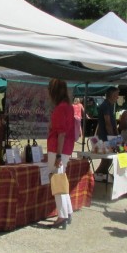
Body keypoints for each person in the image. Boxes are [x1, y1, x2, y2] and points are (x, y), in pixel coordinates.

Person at [47, 79, 76, 229]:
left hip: (58, 149)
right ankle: (67, 211)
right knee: (61, 180)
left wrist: (57, 155)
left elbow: (61, 134)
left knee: (57, 181)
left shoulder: (60, 108)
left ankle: (62, 215)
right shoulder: (69, 107)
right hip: (66, 149)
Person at [94, 87, 120, 180]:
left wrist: (117, 134)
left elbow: (112, 122)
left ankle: (103, 174)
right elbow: (108, 123)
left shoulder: (109, 105)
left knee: (109, 159)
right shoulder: (105, 106)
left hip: (108, 136)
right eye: (116, 95)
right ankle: (97, 174)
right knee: (106, 159)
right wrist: (113, 138)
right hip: (105, 137)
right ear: (112, 95)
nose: (117, 97)